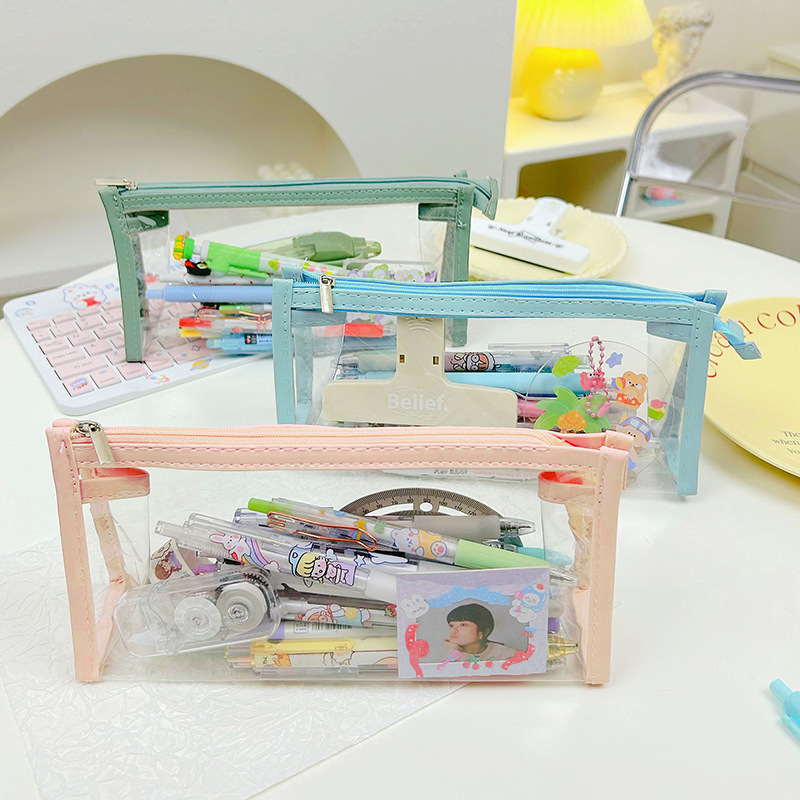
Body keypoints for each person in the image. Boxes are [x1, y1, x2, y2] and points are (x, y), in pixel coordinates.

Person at [642, 4, 713, 96]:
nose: (697, 45)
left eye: (700, 37)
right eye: (691, 36)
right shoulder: (651, 78)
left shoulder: (699, 80)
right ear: (667, 35)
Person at [441, 603, 517, 662]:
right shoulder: (448, 654)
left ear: (483, 632)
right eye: (451, 625)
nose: (453, 630)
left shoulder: (506, 655)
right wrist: (453, 651)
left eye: (463, 625)